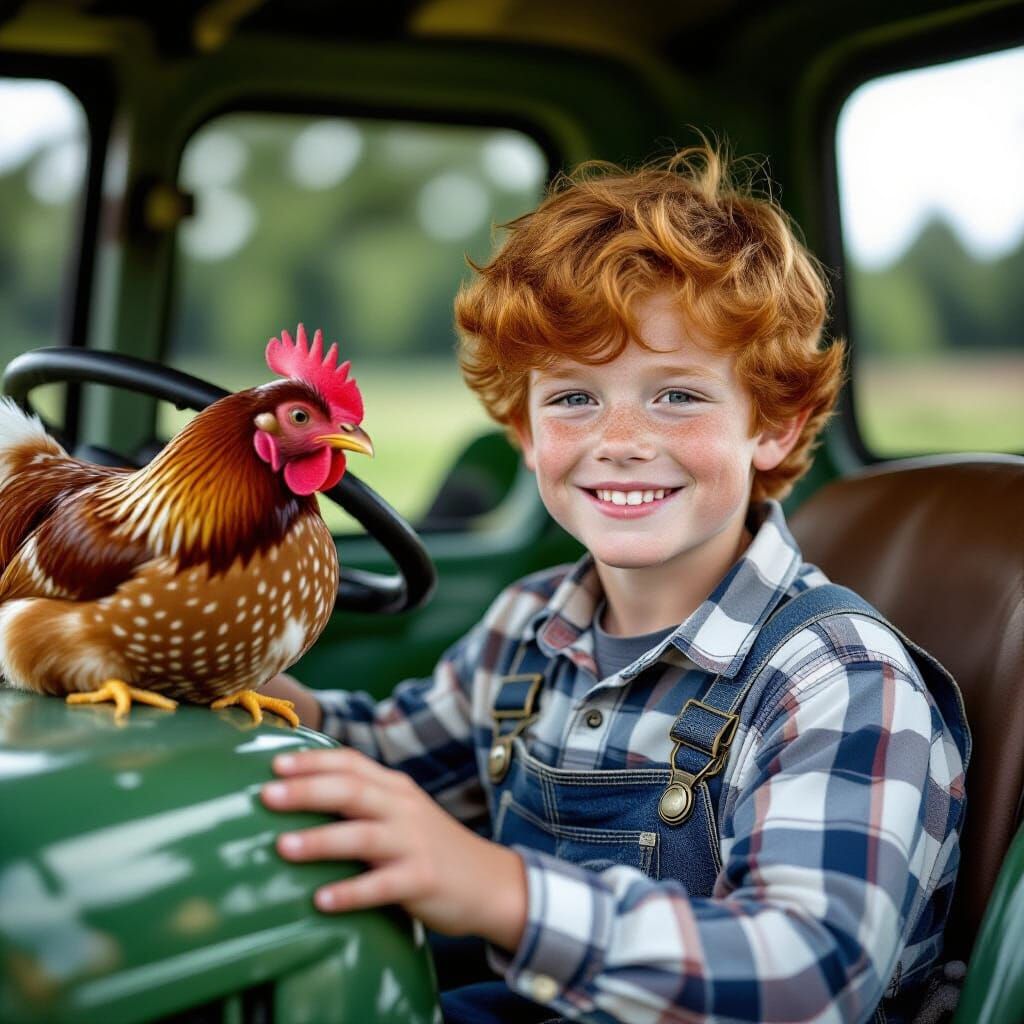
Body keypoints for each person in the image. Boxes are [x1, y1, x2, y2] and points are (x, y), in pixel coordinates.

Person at [259, 141, 970, 1024]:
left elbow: (808, 978)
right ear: (523, 433)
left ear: (775, 428)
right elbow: (393, 752)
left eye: (677, 395)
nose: (621, 439)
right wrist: (263, 695)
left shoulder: (837, 677)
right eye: (572, 399)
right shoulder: (529, 627)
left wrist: (504, 894)